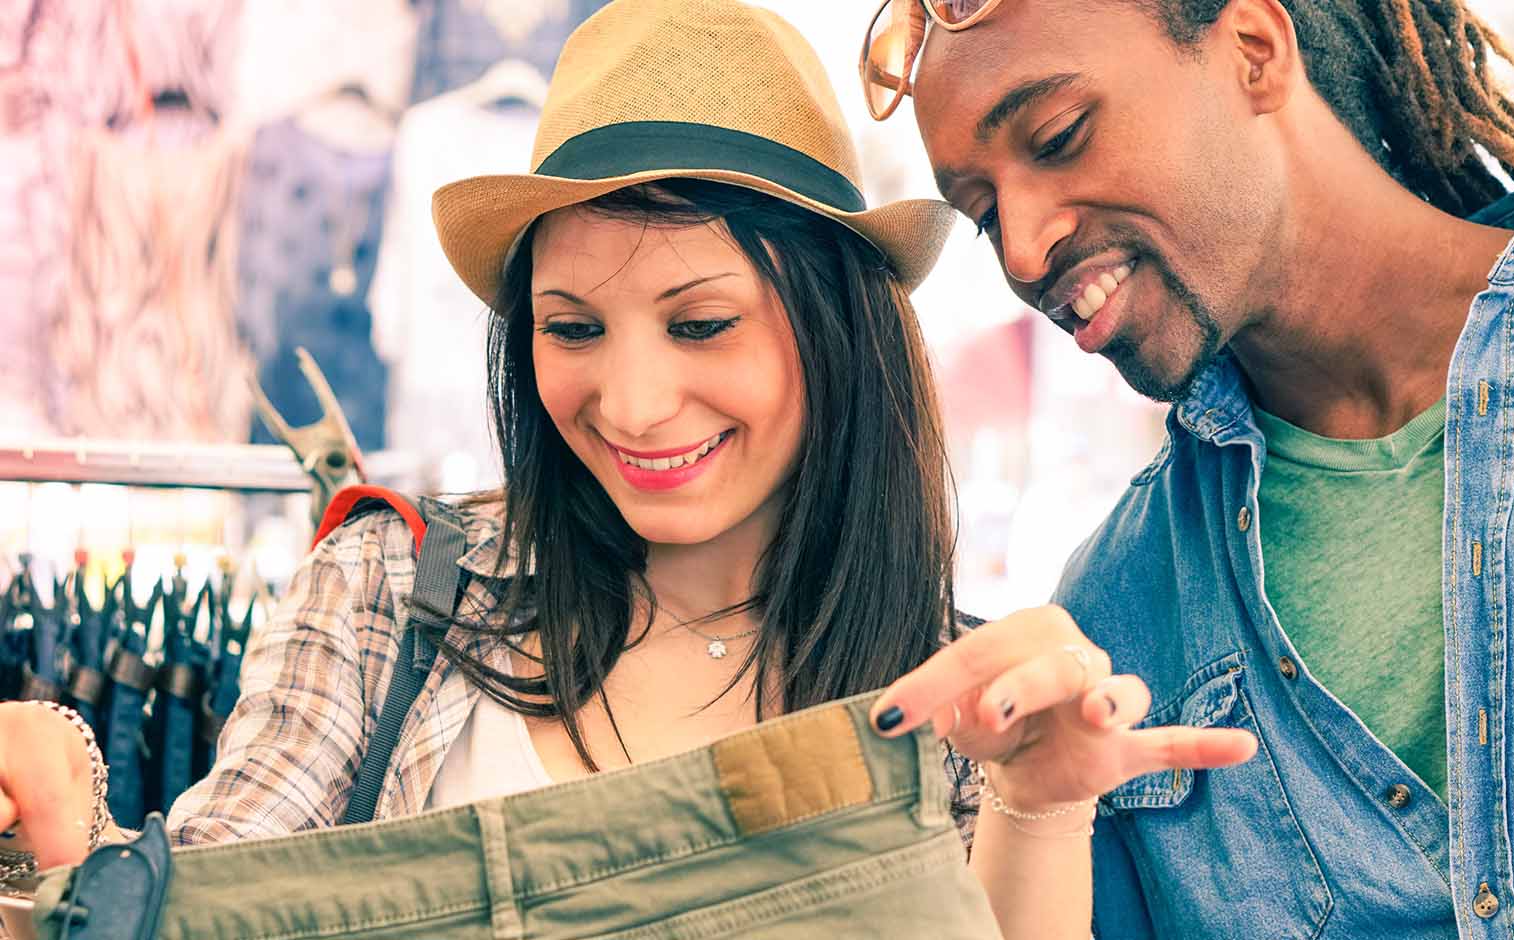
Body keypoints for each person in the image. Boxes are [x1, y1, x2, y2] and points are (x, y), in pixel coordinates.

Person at [0, 2, 1255, 937]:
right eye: (573, 328)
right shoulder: (396, 590)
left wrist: (1039, 806)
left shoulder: (955, 700)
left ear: (834, 338)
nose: (634, 402)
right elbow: (215, 888)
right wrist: (62, 821)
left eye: (700, 324)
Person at [861, 0, 1514, 937]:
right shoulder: (1116, 611)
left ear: (1254, 47)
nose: (1027, 252)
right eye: (984, 210)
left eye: (1057, 135)